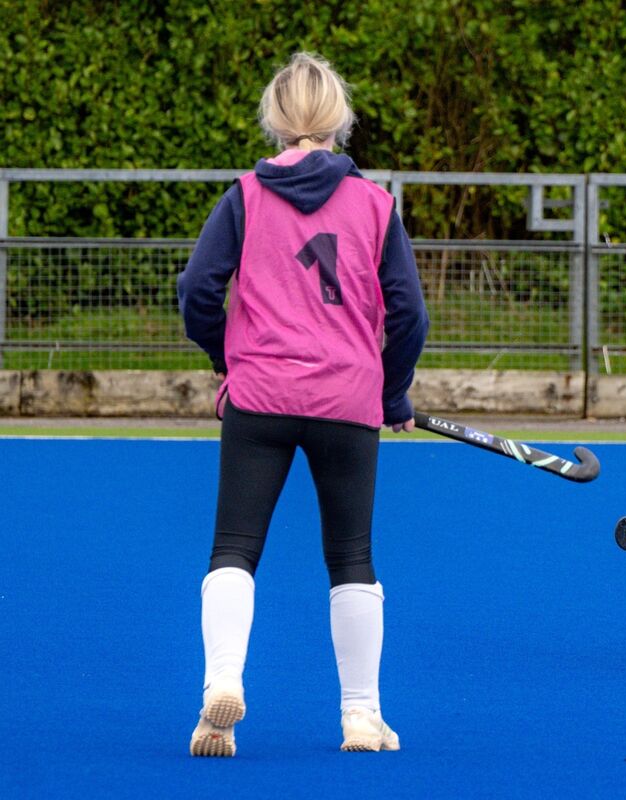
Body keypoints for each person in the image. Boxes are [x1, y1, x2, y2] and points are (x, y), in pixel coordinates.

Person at [177, 52, 429, 755]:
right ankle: (360, 714)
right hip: (347, 400)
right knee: (352, 557)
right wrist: (390, 390)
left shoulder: (244, 196)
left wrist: (227, 360)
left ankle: (220, 684)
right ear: (339, 120)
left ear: (276, 120)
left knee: (234, 548)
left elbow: (197, 290)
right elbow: (409, 314)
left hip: (260, 396)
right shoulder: (375, 203)